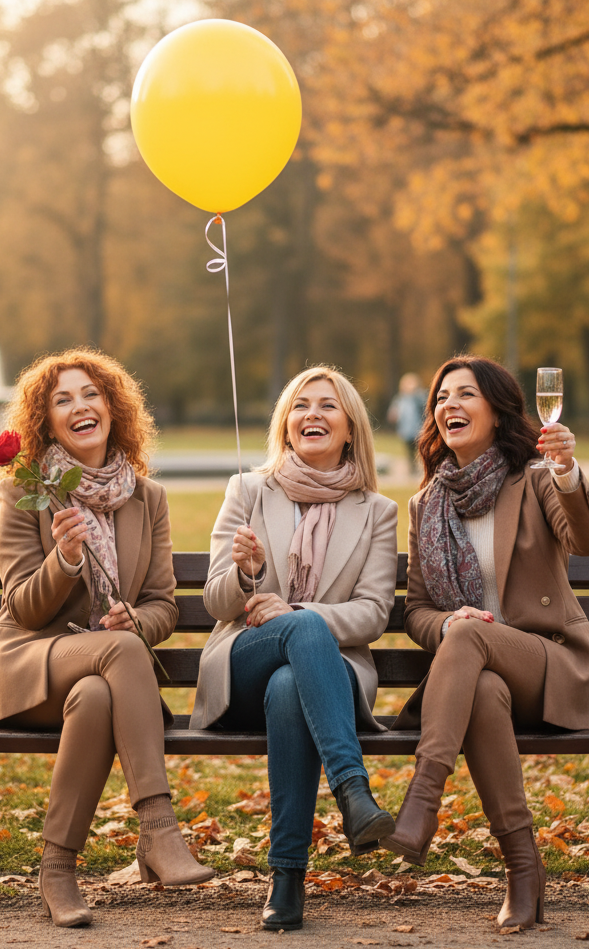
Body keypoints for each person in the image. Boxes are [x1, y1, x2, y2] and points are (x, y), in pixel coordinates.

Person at [381, 355, 589, 932]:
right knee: (480, 682)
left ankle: (424, 796)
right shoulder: (426, 504)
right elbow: (417, 611)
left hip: (552, 664)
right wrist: (447, 624)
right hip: (483, 669)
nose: (449, 406)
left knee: (468, 634)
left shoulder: (534, 478)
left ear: (496, 410)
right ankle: (522, 867)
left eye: (466, 394)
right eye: (441, 397)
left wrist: (566, 470)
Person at [0, 348, 213, 929]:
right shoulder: (26, 491)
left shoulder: (147, 498)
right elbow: (25, 610)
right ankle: (159, 829)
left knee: (99, 696)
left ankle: (57, 870)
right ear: (45, 421)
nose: (80, 406)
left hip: (101, 678)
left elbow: (164, 603)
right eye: (63, 400)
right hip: (31, 662)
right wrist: (64, 559)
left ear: (112, 408)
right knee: (119, 652)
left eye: (91, 395)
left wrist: (138, 620)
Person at [190, 366, 398, 931]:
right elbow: (214, 600)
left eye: (328, 406)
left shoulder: (377, 512)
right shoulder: (249, 490)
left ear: (350, 427)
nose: (313, 415)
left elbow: (374, 612)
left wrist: (299, 611)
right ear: (286, 425)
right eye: (301, 405)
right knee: (298, 640)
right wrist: (245, 572)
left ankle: (286, 877)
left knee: (293, 678)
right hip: (243, 664)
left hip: (329, 676)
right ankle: (353, 792)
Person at [387, 372, 427, 475]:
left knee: (421, 451)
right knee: (409, 452)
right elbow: (393, 412)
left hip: (419, 429)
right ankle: (412, 470)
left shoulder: (419, 397)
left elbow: (425, 409)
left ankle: (422, 469)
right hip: (406, 430)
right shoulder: (400, 399)